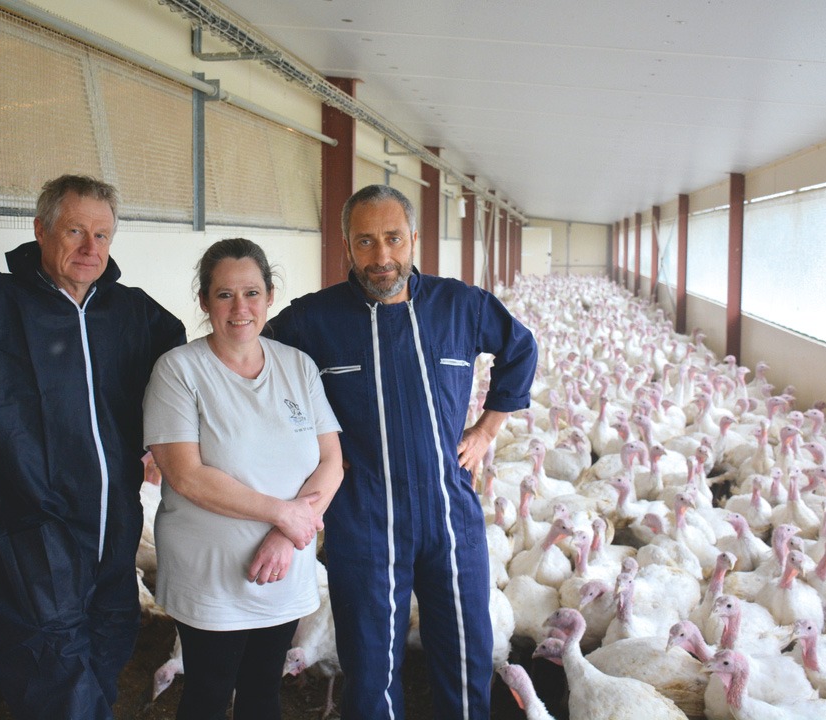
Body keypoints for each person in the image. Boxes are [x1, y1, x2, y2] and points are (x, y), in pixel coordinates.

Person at [0, 154, 186, 719]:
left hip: (113, 529)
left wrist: (160, 440)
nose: (90, 248)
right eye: (75, 230)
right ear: (41, 229)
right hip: (27, 536)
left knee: (104, 655)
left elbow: (181, 378)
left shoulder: (134, 315)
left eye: (102, 234)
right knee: (58, 681)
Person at [268, 184, 538, 719]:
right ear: (347, 246)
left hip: (449, 510)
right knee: (369, 668)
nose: (381, 256)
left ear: (414, 238)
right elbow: (259, 373)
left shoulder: (459, 305)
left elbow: (520, 348)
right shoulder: (313, 320)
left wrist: (486, 429)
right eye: (365, 242)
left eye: (393, 238)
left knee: (465, 656)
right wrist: (315, 450)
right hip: (364, 517)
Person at [144, 238, 344, 720]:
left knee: (262, 694)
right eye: (224, 295)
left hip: (283, 567)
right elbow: (185, 474)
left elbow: (332, 461)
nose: (240, 308)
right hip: (210, 575)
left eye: (252, 293)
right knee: (209, 695)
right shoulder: (179, 371)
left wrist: (285, 533)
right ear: (203, 302)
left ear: (270, 296)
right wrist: (283, 514)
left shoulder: (297, 366)